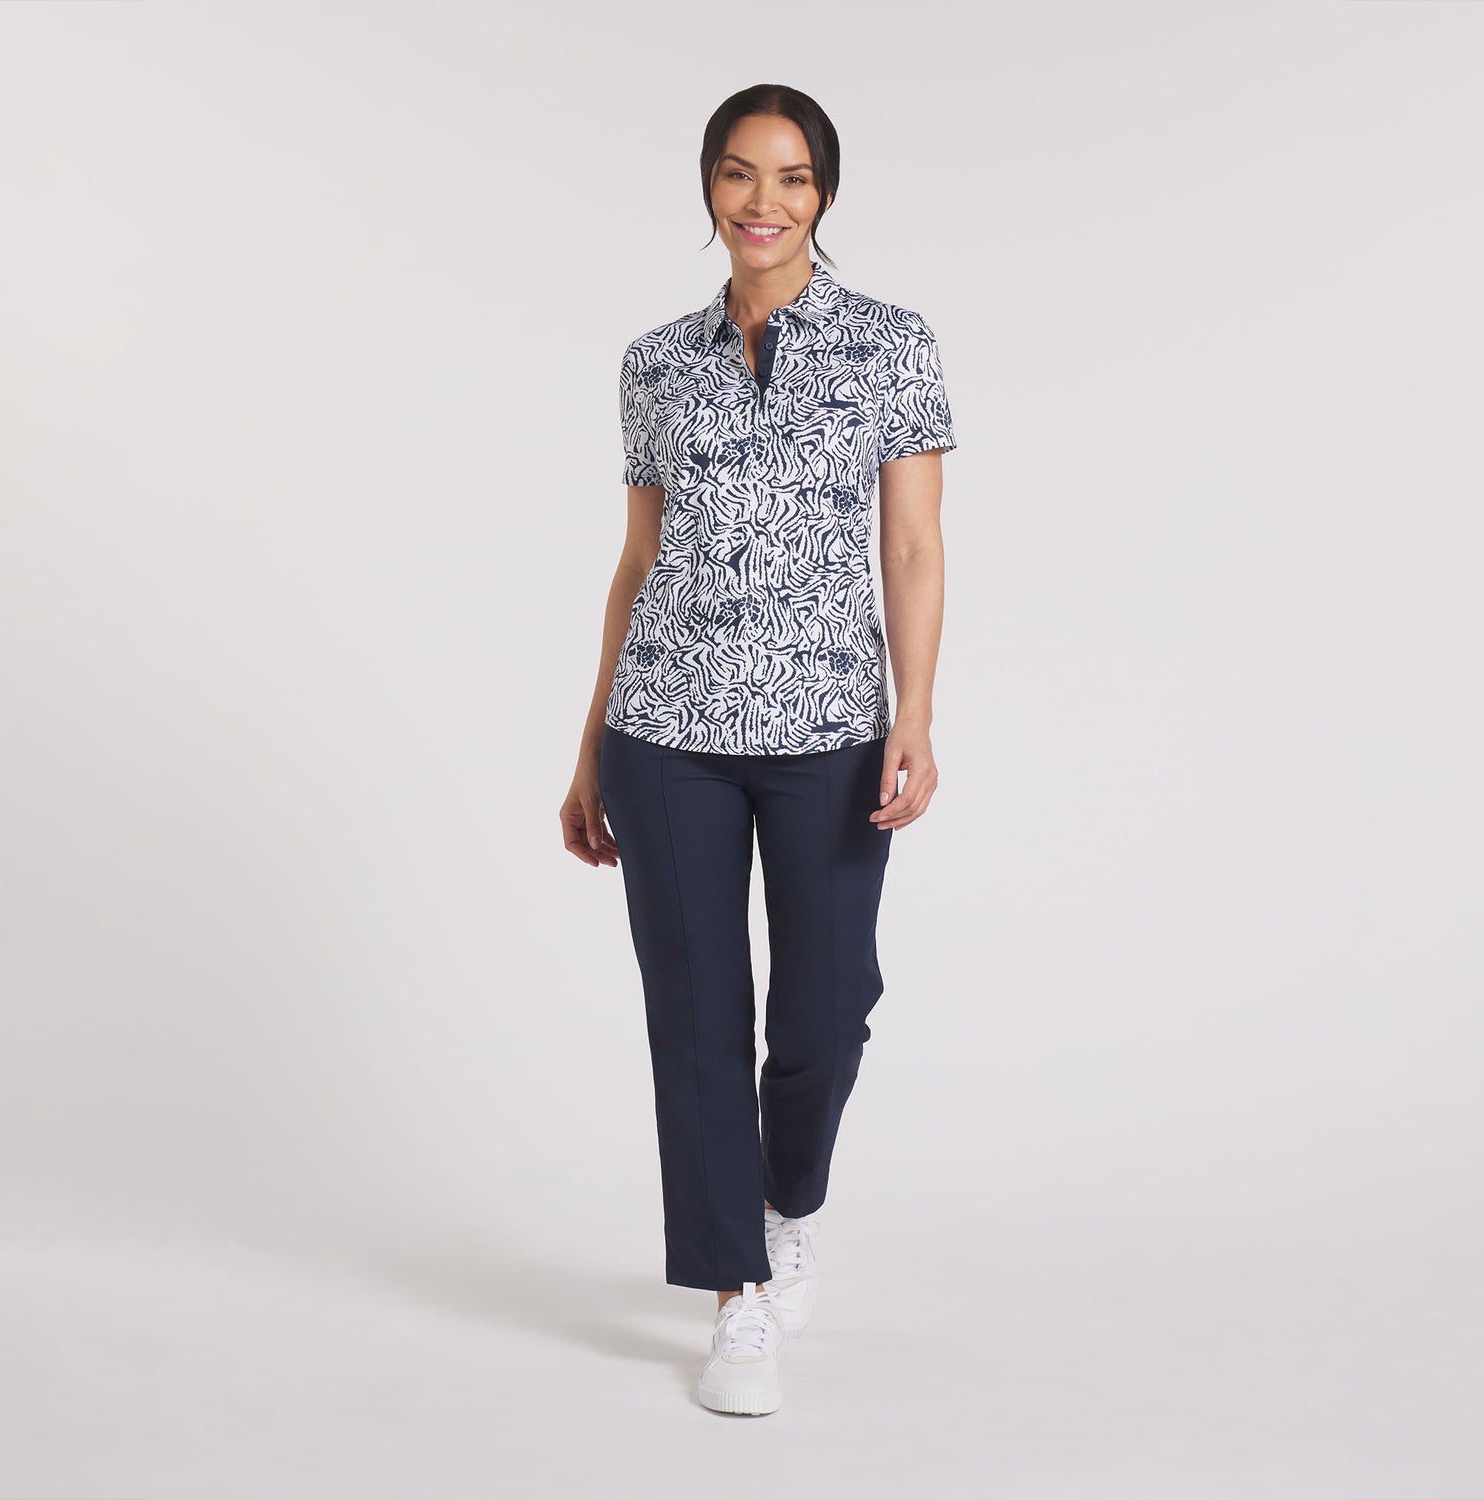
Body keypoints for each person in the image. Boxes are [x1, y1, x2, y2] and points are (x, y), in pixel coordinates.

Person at [560, 83, 956, 1417]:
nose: (763, 201)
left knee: (828, 1008)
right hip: (665, 730)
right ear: (710, 188)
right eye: (739, 174)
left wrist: (914, 715)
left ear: (823, 195)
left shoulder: (890, 345)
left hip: (831, 730)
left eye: (791, 178)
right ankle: (736, 1293)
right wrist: (589, 748)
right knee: (695, 1018)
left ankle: (786, 1200)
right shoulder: (654, 362)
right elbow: (637, 562)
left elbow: (914, 545)